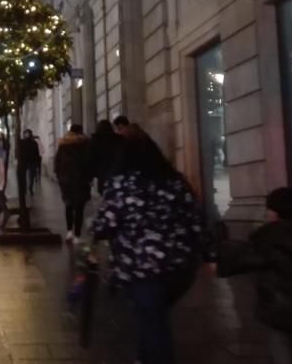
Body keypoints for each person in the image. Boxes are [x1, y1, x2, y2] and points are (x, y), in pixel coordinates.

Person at [91, 130, 212, 364]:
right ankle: (143, 357)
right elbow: (196, 220)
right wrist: (211, 254)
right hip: (179, 267)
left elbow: (104, 225)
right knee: (152, 316)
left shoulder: (121, 184)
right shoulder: (175, 181)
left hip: (141, 267)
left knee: (154, 321)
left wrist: (94, 230)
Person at [217, 187, 292, 364]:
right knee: (290, 338)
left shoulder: (270, 236)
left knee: (279, 341)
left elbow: (246, 258)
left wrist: (220, 251)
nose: (266, 213)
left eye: (268, 209)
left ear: (274, 212)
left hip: (277, 305)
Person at [54, 124, 91, 242]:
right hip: (81, 180)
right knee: (79, 208)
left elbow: (57, 163)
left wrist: (60, 177)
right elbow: (88, 162)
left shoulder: (63, 145)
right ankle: (77, 235)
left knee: (68, 206)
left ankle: (69, 231)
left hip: (66, 181)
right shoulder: (84, 144)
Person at [89, 120, 124, 195]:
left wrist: (90, 176)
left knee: (104, 193)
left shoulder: (94, 141)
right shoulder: (119, 139)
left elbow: (90, 159)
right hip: (117, 172)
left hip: (102, 174)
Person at [20, 129, 42, 195]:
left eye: (28, 133)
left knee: (31, 176)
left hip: (32, 162)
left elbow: (37, 153)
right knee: (25, 176)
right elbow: (21, 153)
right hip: (25, 162)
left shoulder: (34, 143)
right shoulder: (22, 142)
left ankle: (30, 187)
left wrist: (38, 163)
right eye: (26, 133)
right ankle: (25, 188)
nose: (27, 134)